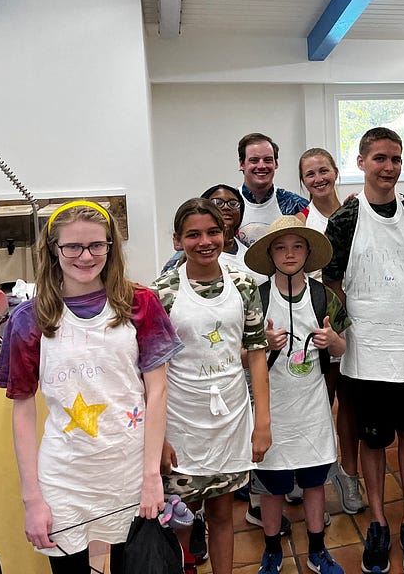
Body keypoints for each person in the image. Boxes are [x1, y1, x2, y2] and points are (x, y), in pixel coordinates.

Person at [0, 201, 183, 573]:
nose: (86, 256)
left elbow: (158, 392)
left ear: (111, 247)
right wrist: (32, 499)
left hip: (128, 470)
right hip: (65, 478)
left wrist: (151, 477)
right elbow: (23, 408)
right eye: (73, 247)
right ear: (53, 250)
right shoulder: (28, 320)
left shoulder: (140, 303)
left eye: (97, 245)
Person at [323, 127, 404, 574]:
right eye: (380, 158)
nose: (389, 167)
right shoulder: (343, 221)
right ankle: (379, 522)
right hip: (366, 348)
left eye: (396, 159)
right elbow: (333, 285)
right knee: (372, 438)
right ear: (361, 163)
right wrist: (343, 339)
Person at [152, 198, 270, 574]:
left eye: (213, 232)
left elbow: (256, 354)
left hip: (232, 419)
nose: (205, 241)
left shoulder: (244, 285)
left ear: (227, 234)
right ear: (176, 240)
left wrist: (262, 422)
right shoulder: (162, 293)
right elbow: (150, 369)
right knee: (178, 519)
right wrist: (157, 439)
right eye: (193, 234)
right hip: (181, 423)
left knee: (223, 513)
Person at [244, 215, 349, 574]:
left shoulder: (323, 297)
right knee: (271, 484)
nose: (289, 254)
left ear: (308, 252)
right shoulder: (255, 300)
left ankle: (318, 549)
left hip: (313, 406)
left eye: (297, 246)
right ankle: (272, 548)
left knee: (315, 481)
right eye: (281, 247)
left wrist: (331, 341)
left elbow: (342, 346)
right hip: (271, 409)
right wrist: (261, 344)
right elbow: (239, 354)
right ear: (270, 254)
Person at [296, 147, 365, 516]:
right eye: (310, 174)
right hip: (317, 321)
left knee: (349, 403)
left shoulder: (357, 210)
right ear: (303, 181)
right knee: (317, 401)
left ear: (336, 172)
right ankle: (312, 481)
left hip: (359, 319)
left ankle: (349, 474)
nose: (319, 178)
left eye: (324, 170)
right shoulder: (300, 221)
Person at [237, 132, 309, 243]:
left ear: (276, 164)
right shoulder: (229, 205)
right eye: (254, 160)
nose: (261, 166)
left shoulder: (296, 205)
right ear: (242, 164)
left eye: (268, 160)